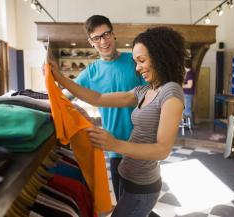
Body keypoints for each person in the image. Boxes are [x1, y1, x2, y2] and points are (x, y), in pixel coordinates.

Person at [50, 26, 186, 217]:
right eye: (135, 62)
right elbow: (98, 98)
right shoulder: (144, 90)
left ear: (160, 57)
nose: (137, 68)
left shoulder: (171, 93)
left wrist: (115, 144)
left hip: (142, 187)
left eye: (141, 60)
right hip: (127, 177)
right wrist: (60, 79)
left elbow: (162, 150)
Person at [67, 15, 146, 203]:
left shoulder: (134, 61)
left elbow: (152, 95)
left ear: (113, 34)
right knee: (123, 203)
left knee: (142, 200)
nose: (103, 41)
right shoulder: (90, 73)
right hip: (114, 147)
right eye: (97, 38)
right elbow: (65, 96)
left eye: (106, 34)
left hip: (142, 143)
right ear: (91, 42)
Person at [182, 58, 195, 127]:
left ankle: (189, 125)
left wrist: (181, 85)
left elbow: (189, 85)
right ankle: (187, 124)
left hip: (188, 94)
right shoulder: (188, 73)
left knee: (187, 109)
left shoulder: (190, 74)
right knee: (186, 109)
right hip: (186, 94)